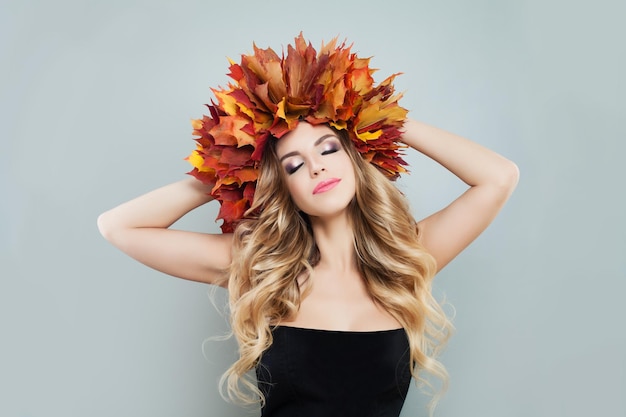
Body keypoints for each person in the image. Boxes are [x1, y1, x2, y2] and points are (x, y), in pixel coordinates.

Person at [97, 34, 519, 417]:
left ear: (355, 158)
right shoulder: (261, 267)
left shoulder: (405, 259)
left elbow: (499, 177)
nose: (316, 168)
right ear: (283, 187)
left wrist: (381, 117)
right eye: (294, 165)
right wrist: (226, 169)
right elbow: (120, 227)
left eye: (329, 148)